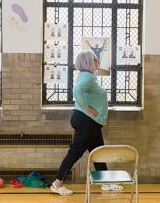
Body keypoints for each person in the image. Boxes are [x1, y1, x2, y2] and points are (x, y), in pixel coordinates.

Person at [50, 50, 123, 195]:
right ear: (89, 62)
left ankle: (105, 181)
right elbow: (76, 90)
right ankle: (57, 184)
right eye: (95, 59)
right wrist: (88, 108)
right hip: (86, 121)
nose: (97, 61)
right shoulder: (88, 77)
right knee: (75, 152)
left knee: (98, 152)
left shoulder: (87, 75)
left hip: (90, 122)